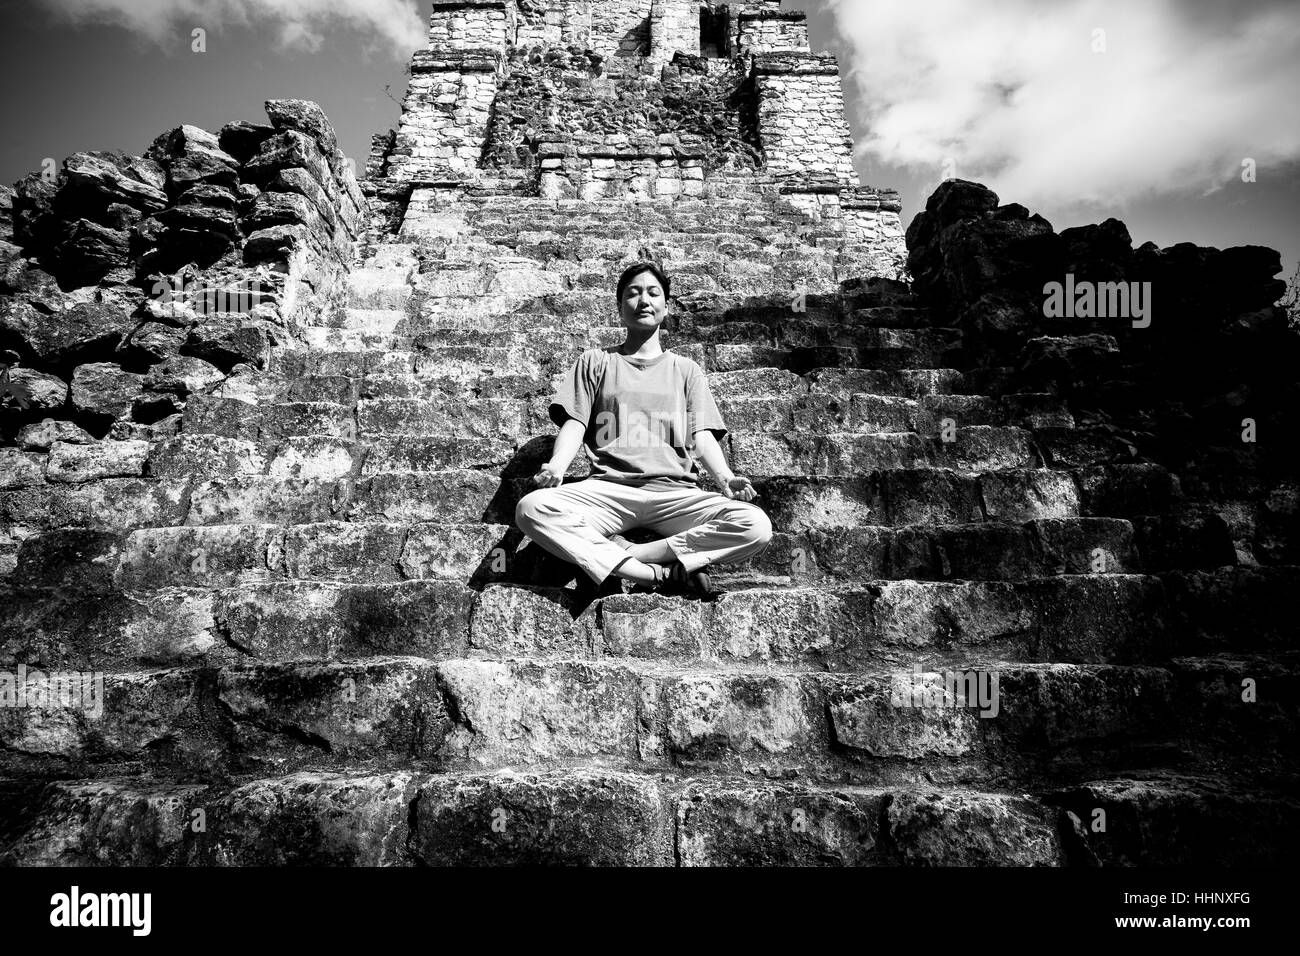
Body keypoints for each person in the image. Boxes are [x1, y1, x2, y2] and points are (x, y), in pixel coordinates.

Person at [515, 261, 773, 596]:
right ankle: (658, 576)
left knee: (756, 526)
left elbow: (701, 435)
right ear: (620, 308)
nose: (643, 300)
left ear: (665, 308)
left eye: (653, 293)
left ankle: (629, 554)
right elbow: (575, 423)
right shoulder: (595, 362)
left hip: (676, 494)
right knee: (532, 509)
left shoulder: (686, 371)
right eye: (633, 293)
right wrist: (557, 467)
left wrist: (724, 478)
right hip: (610, 492)